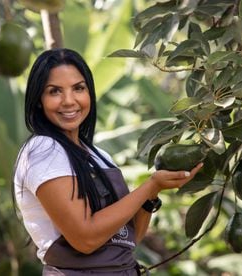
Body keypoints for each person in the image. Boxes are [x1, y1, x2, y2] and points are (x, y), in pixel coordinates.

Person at [13, 48, 203, 275]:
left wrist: (153, 194)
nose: (69, 101)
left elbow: (129, 237)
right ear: (38, 101)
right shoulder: (43, 149)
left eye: (78, 88)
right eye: (54, 91)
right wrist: (150, 186)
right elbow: (85, 239)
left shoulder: (99, 155)